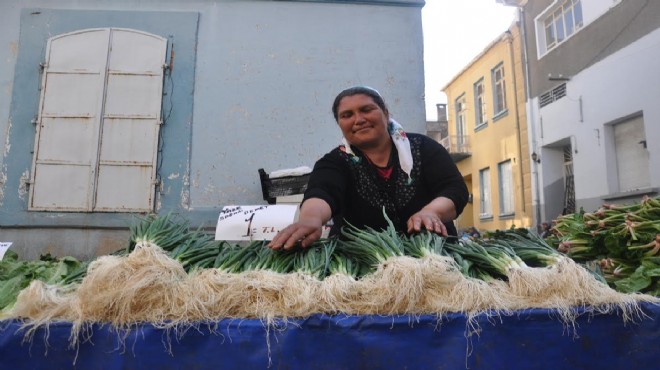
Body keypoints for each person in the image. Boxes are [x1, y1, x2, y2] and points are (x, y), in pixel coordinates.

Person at [268, 86, 469, 250]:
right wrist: (310, 219)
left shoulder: (423, 147)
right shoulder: (335, 162)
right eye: (347, 115)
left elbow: (454, 190)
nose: (358, 119)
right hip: (367, 268)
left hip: (435, 258)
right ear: (340, 124)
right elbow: (322, 192)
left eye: (366, 110)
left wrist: (432, 212)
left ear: (385, 113)